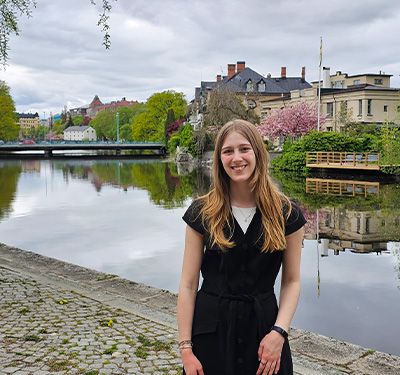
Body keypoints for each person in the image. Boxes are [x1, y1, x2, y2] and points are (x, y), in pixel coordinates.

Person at [177, 119, 306, 375]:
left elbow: (291, 281)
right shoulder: (201, 212)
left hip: (265, 334)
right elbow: (188, 284)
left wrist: (279, 333)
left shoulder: (287, 213)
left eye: (244, 149)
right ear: (220, 158)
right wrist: (186, 349)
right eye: (228, 151)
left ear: (257, 152)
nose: (237, 158)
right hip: (210, 334)